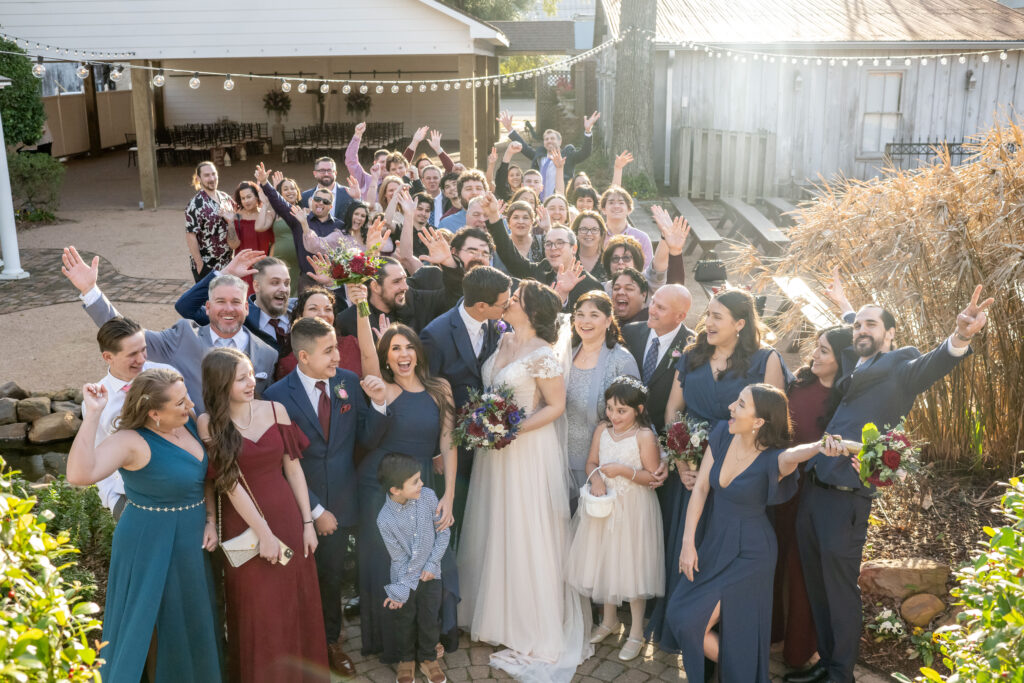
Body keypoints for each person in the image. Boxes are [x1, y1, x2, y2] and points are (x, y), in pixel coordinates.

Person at [793, 286, 992, 683]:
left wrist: (963, 335)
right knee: (816, 585)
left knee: (839, 591)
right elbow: (856, 329)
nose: (862, 330)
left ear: (892, 334)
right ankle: (827, 661)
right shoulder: (856, 357)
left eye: (873, 324)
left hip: (846, 499)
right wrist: (847, 307)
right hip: (813, 488)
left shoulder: (903, 369)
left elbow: (939, 361)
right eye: (859, 325)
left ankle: (841, 674)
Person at [668, 384, 857, 683]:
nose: (731, 406)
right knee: (680, 615)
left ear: (759, 422)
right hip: (715, 543)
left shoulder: (773, 459)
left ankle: (745, 674)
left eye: (741, 404)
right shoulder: (721, 434)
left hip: (752, 554)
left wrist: (823, 446)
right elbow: (701, 488)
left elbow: (795, 454)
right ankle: (750, 674)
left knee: (696, 624)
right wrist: (688, 543)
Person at [457, 280, 591, 681]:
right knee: (494, 525)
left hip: (526, 451)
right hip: (493, 453)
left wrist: (513, 430)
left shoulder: (542, 354)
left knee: (525, 528)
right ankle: (494, 615)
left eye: (516, 299)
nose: (509, 301)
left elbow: (556, 406)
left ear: (532, 312)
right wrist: (487, 427)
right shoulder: (502, 342)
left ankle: (527, 622)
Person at [648, 288, 789, 654]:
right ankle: (687, 636)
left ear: (740, 324)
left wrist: (734, 467)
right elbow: (672, 412)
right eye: (707, 314)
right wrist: (681, 460)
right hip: (691, 475)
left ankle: (728, 650)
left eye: (717, 317)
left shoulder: (765, 360)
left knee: (726, 564)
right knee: (689, 551)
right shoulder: (691, 357)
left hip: (736, 485)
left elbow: (772, 427)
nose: (707, 323)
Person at [66, 369, 222, 683]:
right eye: (180, 402)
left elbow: (205, 477)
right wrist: (93, 414)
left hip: (191, 539)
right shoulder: (130, 441)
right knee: (152, 626)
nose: (190, 405)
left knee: (191, 620)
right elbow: (79, 475)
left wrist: (210, 520)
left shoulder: (186, 422)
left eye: (186, 396)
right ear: (153, 413)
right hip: (149, 541)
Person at [261, 317, 391, 678]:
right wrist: (315, 509)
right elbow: (280, 462)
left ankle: (330, 643)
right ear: (303, 356)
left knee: (333, 577)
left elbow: (364, 441)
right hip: (300, 505)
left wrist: (379, 406)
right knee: (302, 579)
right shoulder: (276, 397)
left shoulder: (348, 383)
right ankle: (301, 642)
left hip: (347, 501)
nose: (338, 356)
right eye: (329, 350)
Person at [199, 348, 329, 683]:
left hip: (287, 516)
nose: (250, 382)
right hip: (244, 527)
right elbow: (228, 485)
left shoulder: (276, 410)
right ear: (220, 383)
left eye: (250, 374)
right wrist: (265, 534)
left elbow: (294, 470)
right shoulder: (209, 423)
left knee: (295, 602)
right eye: (239, 378)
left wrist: (306, 523)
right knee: (258, 608)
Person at [351, 308, 459, 662]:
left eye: (408, 347)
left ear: (418, 351)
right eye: (394, 349)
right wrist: (360, 303)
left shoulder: (439, 389)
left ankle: (427, 639)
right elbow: (367, 354)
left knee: (432, 562)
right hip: (381, 490)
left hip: (424, 486)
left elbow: (448, 443)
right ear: (386, 357)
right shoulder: (385, 391)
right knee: (388, 565)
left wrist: (450, 495)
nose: (403, 354)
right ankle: (394, 645)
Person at [62, 247, 277, 414]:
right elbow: (126, 334)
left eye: (235, 302)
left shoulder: (268, 353)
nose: (228, 309)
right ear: (208, 307)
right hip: (194, 452)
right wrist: (90, 291)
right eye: (220, 301)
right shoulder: (182, 337)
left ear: (246, 308)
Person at [772, 325, 852, 673]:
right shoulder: (799, 384)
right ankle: (770, 633)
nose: (815, 355)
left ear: (842, 360)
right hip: (780, 485)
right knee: (774, 559)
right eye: (816, 348)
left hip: (815, 492)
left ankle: (801, 647)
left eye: (824, 351)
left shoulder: (846, 401)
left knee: (801, 568)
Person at [567, 376, 664, 662]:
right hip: (604, 506)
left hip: (634, 509)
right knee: (605, 562)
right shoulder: (602, 430)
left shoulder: (644, 436)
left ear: (639, 409)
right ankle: (608, 621)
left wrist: (624, 470)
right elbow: (591, 462)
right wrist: (595, 479)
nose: (614, 415)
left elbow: (653, 478)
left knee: (632, 566)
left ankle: (635, 632)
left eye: (621, 410)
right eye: (610, 408)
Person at [420, 266, 512, 540]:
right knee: (453, 515)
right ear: (482, 306)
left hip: (489, 443)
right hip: (453, 446)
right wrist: (437, 450)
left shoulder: (498, 324)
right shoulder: (435, 335)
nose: (507, 307)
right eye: (503, 303)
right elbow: (428, 394)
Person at [85, 317, 182, 520]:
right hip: (132, 500)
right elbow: (96, 454)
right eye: (132, 354)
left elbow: (188, 425)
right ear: (108, 357)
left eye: (143, 349)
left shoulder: (169, 375)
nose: (142, 359)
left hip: (180, 489)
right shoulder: (96, 401)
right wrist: (114, 502)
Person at [376, 453, 451, 683]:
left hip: (431, 575)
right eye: (415, 481)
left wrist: (431, 564)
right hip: (403, 577)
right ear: (395, 490)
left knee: (429, 619)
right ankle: (406, 659)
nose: (422, 484)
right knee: (404, 621)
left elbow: (443, 531)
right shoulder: (384, 520)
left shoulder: (427, 497)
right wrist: (402, 590)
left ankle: (428, 659)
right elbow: (398, 559)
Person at [566, 292, 639, 494]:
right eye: (580, 314)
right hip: (557, 460)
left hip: (600, 467)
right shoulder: (565, 353)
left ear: (608, 320)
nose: (585, 321)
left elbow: (636, 413)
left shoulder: (621, 361)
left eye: (594, 315)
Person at [481, 193, 603, 309]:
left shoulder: (591, 286)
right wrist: (494, 216)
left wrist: (562, 298)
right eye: (548, 244)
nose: (553, 248)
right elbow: (511, 256)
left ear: (574, 249)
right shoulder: (542, 269)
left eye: (560, 243)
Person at [175, 253, 293, 358]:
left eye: (287, 283)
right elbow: (185, 307)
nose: (283, 289)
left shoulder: (300, 310)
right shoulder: (236, 315)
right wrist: (223, 274)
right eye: (275, 283)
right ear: (256, 286)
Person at [620, 284, 694, 434]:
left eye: (661, 308)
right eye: (653, 302)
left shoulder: (692, 346)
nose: (651, 310)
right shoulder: (629, 333)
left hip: (664, 436)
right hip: (625, 432)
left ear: (680, 316)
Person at [499, 109, 600, 198]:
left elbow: (585, 153)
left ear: (560, 142)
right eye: (546, 139)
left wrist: (588, 131)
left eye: (552, 138)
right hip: (539, 200)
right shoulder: (539, 156)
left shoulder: (568, 155)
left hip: (559, 199)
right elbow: (524, 147)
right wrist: (509, 129)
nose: (549, 141)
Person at [275, 286, 365, 380]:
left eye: (328, 309)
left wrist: (362, 303)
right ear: (300, 315)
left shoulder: (352, 344)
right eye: (313, 309)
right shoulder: (288, 364)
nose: (322, 314)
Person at [185, 160, 233, 281]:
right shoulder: (195, 204)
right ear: (199, 179)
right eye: (206, 175)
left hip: (227, 263)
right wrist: (200, 265)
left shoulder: (226, 198)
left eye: (214, 174)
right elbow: (191, 235)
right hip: (207, 266)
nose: (211, 178)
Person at [226, 181, 274, 294]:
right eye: (243, 198)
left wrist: (269, 263)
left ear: (257, 197)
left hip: (262, 268)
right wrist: (230, 222)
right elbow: (233, 245)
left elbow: (274, 242)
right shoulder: (237, 217)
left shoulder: (266, 216)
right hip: (242, 269)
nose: (246, 201)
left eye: (249, 197)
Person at [261, 169, 302, 294]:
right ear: (280, 193)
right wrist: (266, 202)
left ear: (297, 191)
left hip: (299, 261)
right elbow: (260, 227)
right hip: (280, 258)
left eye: (292, 188)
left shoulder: (305, 210)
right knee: (279, 290)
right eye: (285, 189)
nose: (290, 191)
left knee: (296, 293)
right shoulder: (275, 212)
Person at [600, 186, 653, 267]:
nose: (616, 206)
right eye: (611, 202)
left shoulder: (642, 238)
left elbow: (647, 271)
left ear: (629, 209)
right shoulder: (596, 236)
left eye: (621, 203)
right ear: (603, 209)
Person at [300, 156, 353, 221]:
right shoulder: (305, 197)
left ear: (335, 173)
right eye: (322, 170)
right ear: (315, 173)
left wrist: (357, 197)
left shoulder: (348, 193)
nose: (326, 174)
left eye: (329, 170)